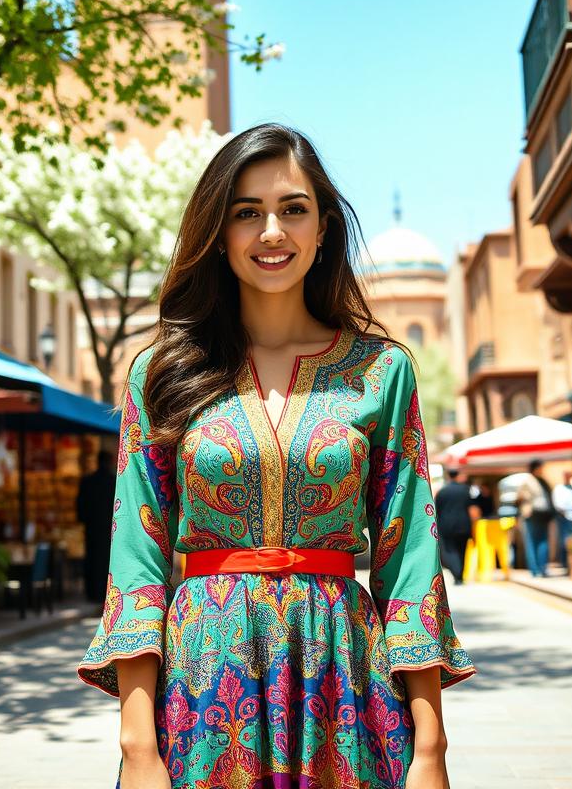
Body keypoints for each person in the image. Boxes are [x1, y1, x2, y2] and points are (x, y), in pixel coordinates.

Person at [77, 124, 475, 789]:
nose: (271, 231)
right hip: (201, 687)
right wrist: (138, 745)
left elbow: (410, 563)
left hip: (344, 683)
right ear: (218, 232)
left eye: (293, 209)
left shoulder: (380, 371)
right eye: (246, 213)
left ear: (322, 229)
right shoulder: (162, 374)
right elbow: (136, 564)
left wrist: (431, 748)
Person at [76, 449, 117, 609]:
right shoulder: (113, 481)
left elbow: (80, 505)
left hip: (92, 527)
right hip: (108, 527)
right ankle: (103, 592)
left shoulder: (87, 481)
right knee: (106, 560)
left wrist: (84, 519)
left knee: (91, 558)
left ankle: (92, 592)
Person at [436, 469, 479, 584]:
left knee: (450, 550)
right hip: (463, 524)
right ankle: (460, 575)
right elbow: (472, 509)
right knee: (462, 550)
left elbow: (437, 510)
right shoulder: (465, 490)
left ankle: (456, 573)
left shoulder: (442, 491)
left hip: (446, 525)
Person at [516, 459, 557, 577]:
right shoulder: (527, 481)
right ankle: (535, 569)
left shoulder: (544, 481)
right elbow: (519, 498)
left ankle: (543, 567)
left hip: (544, 514)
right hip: (531, 514)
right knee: (532, 541)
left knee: (543, 541)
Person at [552, 470, 572, 565]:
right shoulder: (560, 489)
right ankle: (565, 563)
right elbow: (559, 505)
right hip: (564, 517)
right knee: (564, 540)